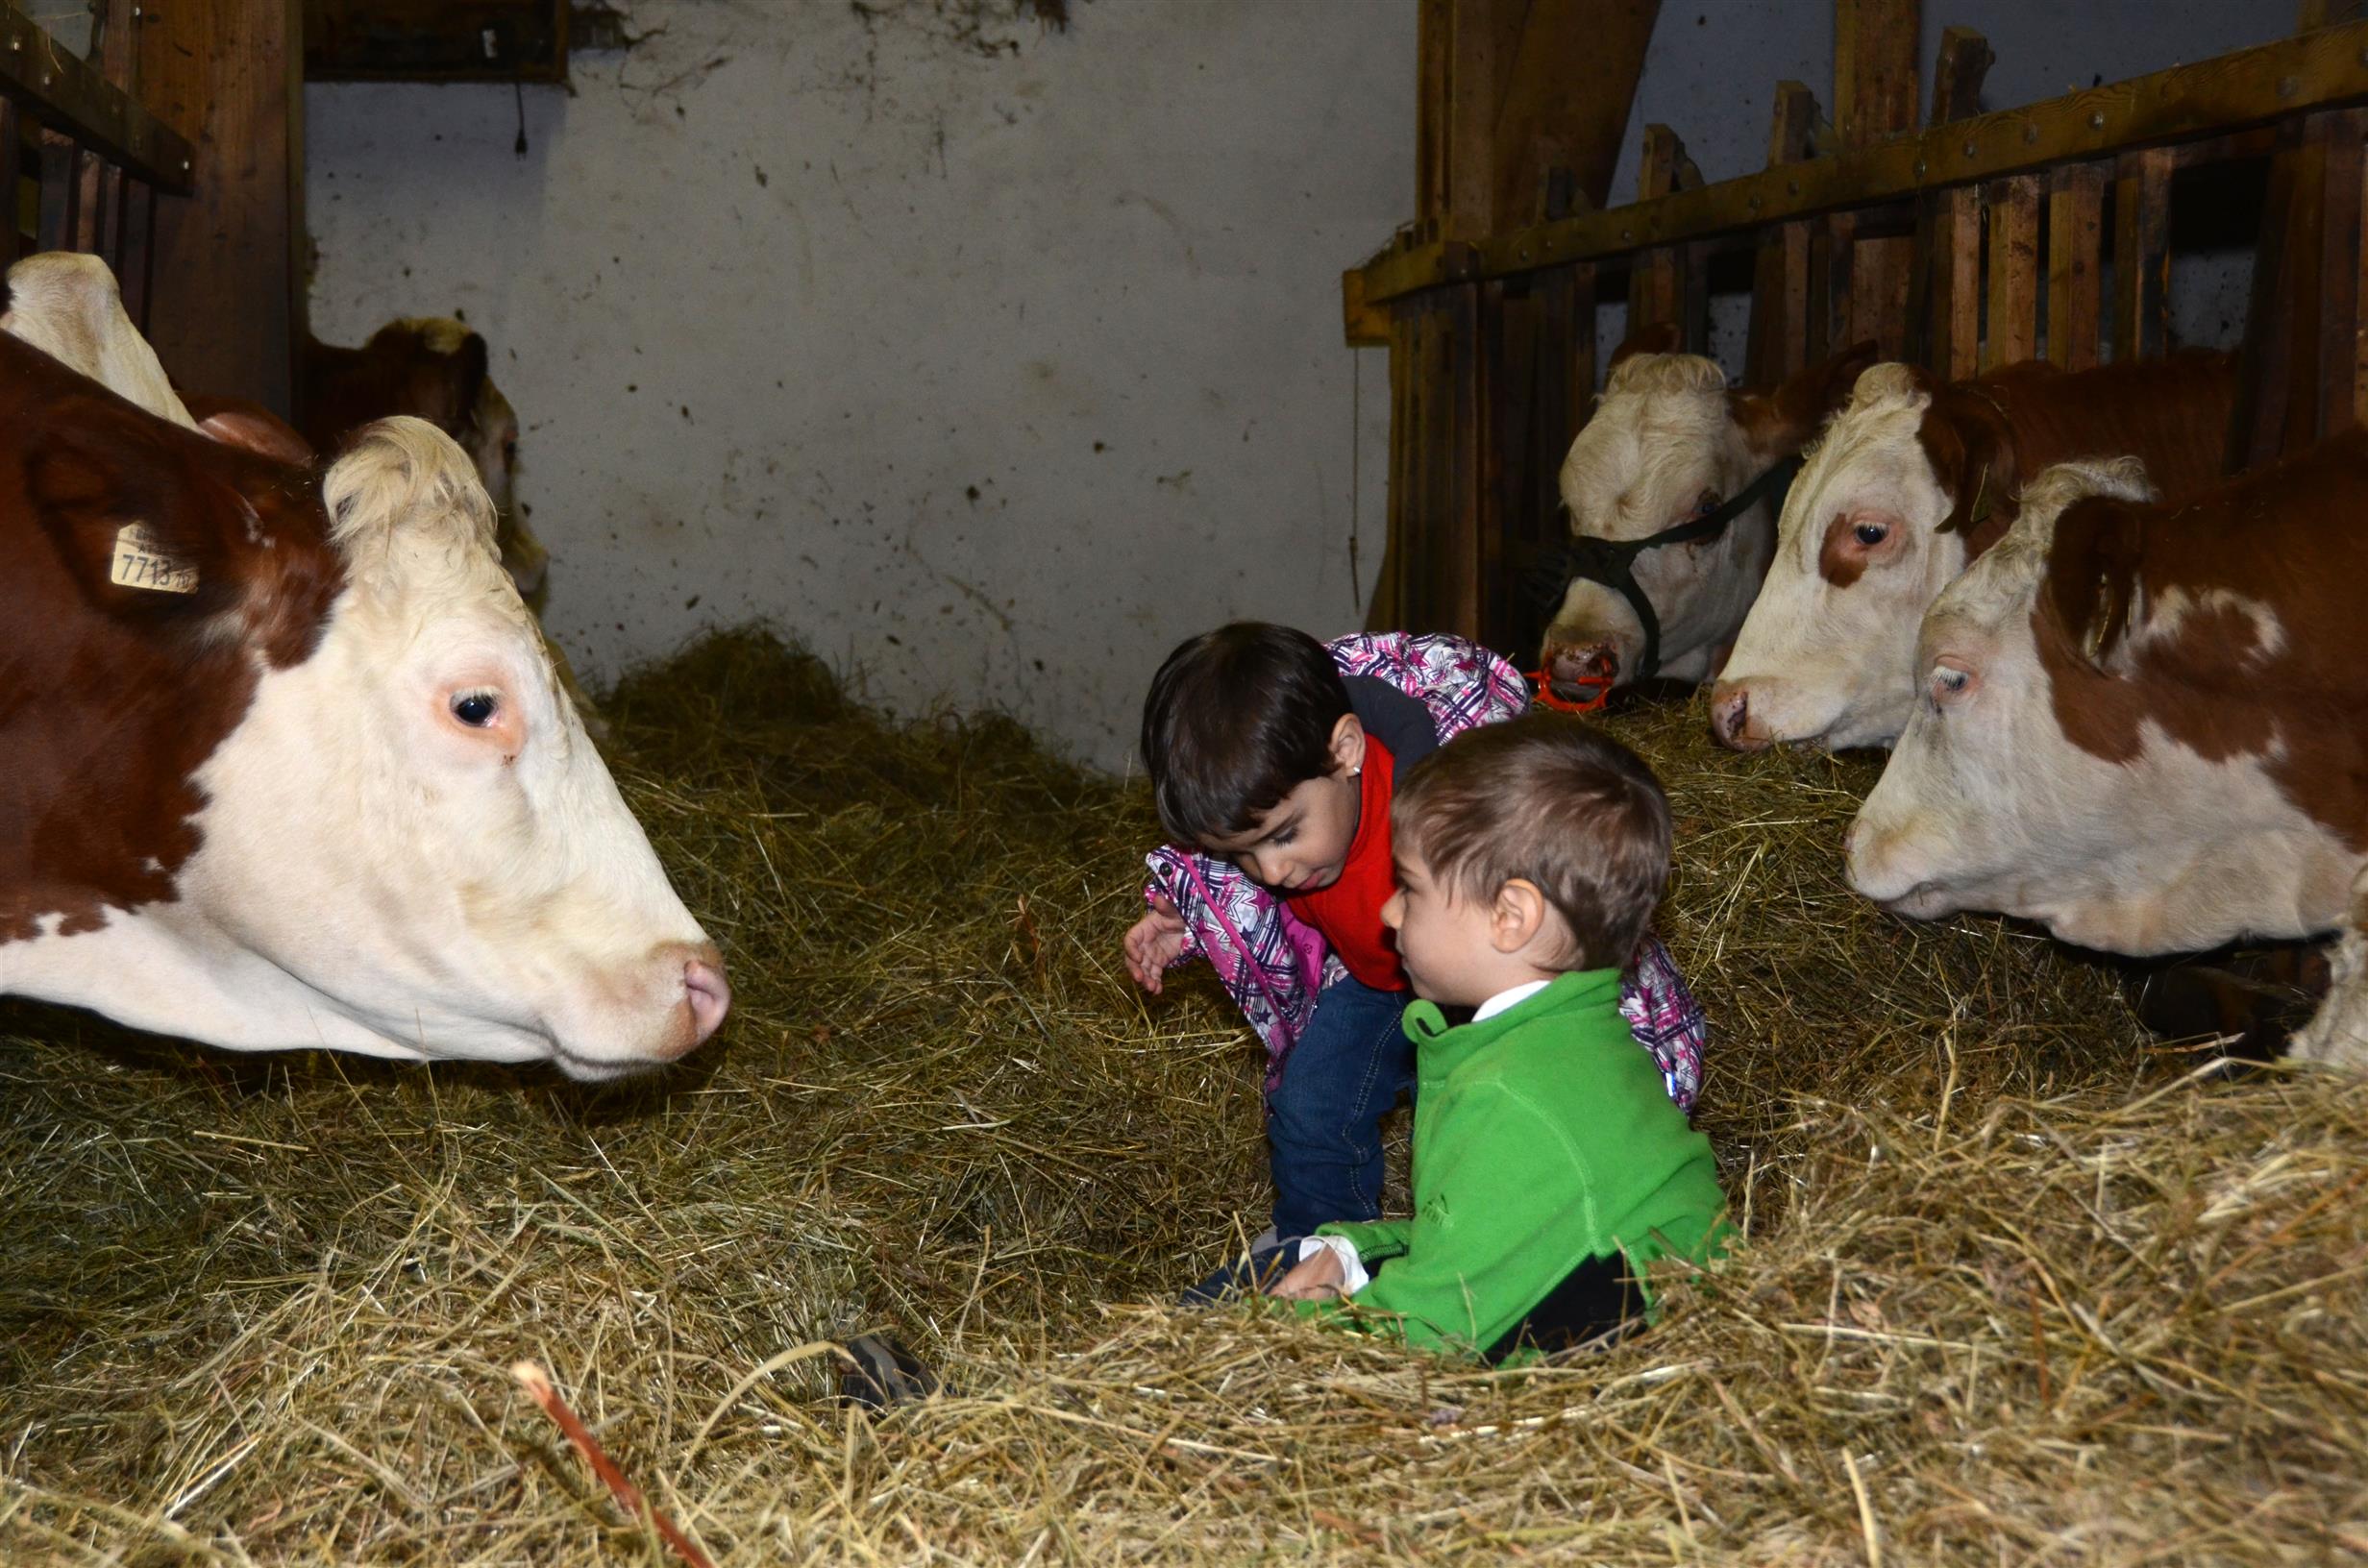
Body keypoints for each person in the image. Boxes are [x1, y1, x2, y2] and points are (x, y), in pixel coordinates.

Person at [1124, 623, 1706, 1264]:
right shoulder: (1287, 819)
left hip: (1484, 989)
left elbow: (1576, 901)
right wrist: (1186, 924)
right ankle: (1318, 1246)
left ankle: (1463, 1257)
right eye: (1240, 854)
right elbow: (1248, 908)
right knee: (1311, 1102)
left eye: (1285, 835)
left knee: (1467, 1121)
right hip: (1376, 983)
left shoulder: (1449, 809)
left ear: (1346, 751)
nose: (1272, 871)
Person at [1266, 712, 1730, 1359]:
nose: (1388, 911)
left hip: (1592, 1383)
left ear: (1510, 918)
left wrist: (1291, 1331)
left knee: (1243, 1288)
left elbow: (1431, 1331)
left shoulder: (1509, 1097)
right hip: (1618, 1341)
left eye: (1409, 888)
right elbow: (1483, 1245)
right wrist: (1348, 1252)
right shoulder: (1584, 1041)